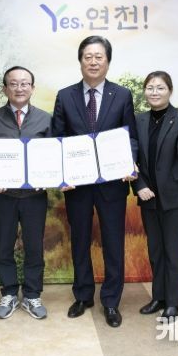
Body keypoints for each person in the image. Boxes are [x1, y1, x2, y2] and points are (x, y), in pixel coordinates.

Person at [51, 36, 138, 328]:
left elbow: (130, 136)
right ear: (80, 61)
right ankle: (83, 295)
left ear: (108, 61)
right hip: (77, 185)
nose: (93, 62)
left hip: (112, 183)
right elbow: (58, 139)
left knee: (113, 242)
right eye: (88, 56)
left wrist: (130, 163)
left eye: (99, 56)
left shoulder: (122, 95)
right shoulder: (65, 96)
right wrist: (61, 173)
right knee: (80, 240)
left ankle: (111, 301)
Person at [0, 66, 52, 320]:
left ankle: (32, 295)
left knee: (34, 247)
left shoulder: (45, 119)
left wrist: (48, 176)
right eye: (13, 84)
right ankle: (9, 293)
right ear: (5, 88)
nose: (19, 88)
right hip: (4, 196)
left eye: (24, 83)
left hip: (34, 197)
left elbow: (53, 153)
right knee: (4, 245)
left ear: (32, 88)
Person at [133, 71, 178, 320]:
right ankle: (159, 297)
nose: (155, 92)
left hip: (177, 197)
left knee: (174, 252)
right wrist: (139, 185)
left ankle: (174, 303)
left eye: (160, 88)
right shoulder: (138, 120)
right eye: (150, 88)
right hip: (148, 196)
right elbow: (130, 157)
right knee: (156, 251)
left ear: (170, 91)